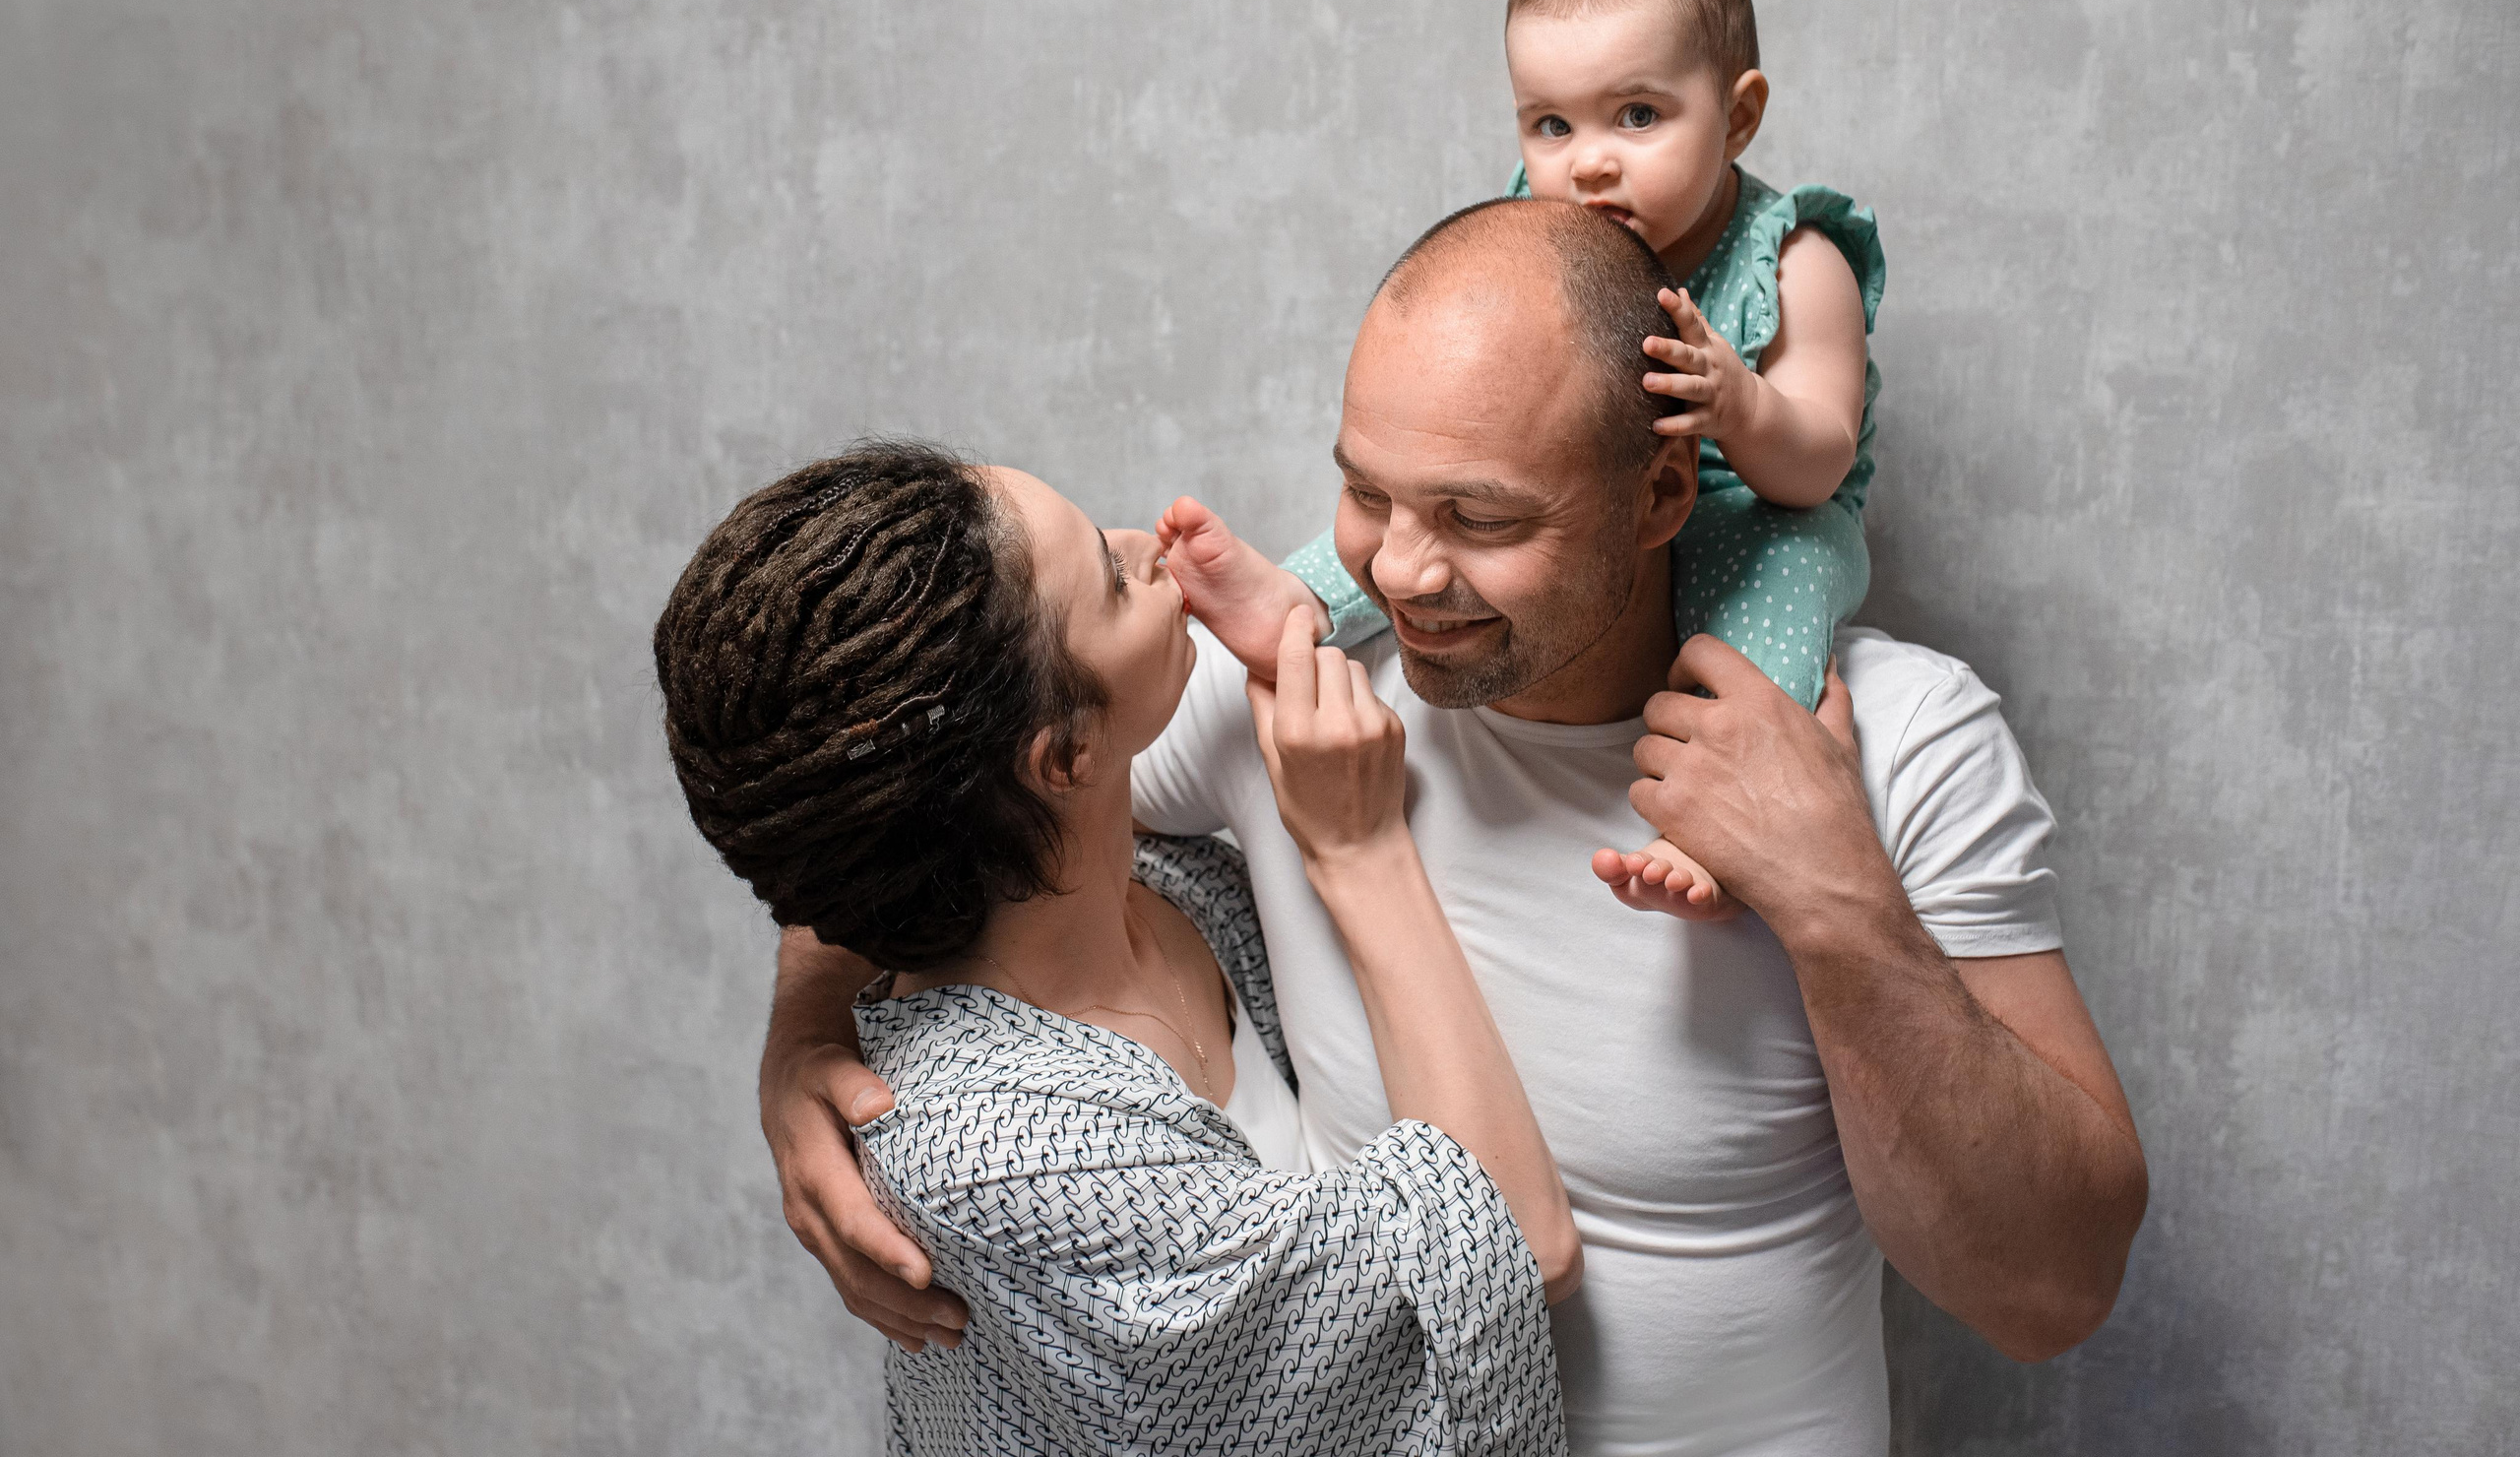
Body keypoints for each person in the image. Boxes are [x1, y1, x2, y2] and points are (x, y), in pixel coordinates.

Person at [769, 203, 2148, 1456]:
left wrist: (1839, 900)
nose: (1405, 572)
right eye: (1367, 495)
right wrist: (809, 1045)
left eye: (1482, 519)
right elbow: (917, 781)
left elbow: (2050, 1289)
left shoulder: (1893, 743)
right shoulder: (1290, 698)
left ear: (1663, 494)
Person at [653, 442, 1580, 1455]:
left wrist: (799, 1032)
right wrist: (1360, 848)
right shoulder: (1011, 1157)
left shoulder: (1142, 880)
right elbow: (1510, 1247)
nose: (1149, 547)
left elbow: (848, 778)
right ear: (1063, 757)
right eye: (1106, 568)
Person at [1184, 0, 1882, 915]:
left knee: (1763, 612)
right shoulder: (1541, 219)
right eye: (1551, 122)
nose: (1588, 158)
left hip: (1755, 501)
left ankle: (1739, 814)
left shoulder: (1792, 262)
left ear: (1736, 114)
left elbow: (1819, 460)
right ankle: (1297, 603)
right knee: (1416, 508)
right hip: (1578, 503)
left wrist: (1739, 403)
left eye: (1637, 115)